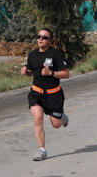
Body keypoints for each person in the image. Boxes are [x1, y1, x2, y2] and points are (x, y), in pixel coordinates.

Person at [21, 28, 69, 161]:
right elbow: (32, 71)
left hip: (54, 95)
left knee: (57, 124)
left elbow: (66, 74)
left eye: (44, 37)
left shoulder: (55, 54)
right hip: (36, 93)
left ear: (50, 41)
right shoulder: (32, 54)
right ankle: (42, 150)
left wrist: (52, 73)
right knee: (38, 120)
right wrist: (26, 72)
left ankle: (61, 115)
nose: (41, 39)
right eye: (39, 36)